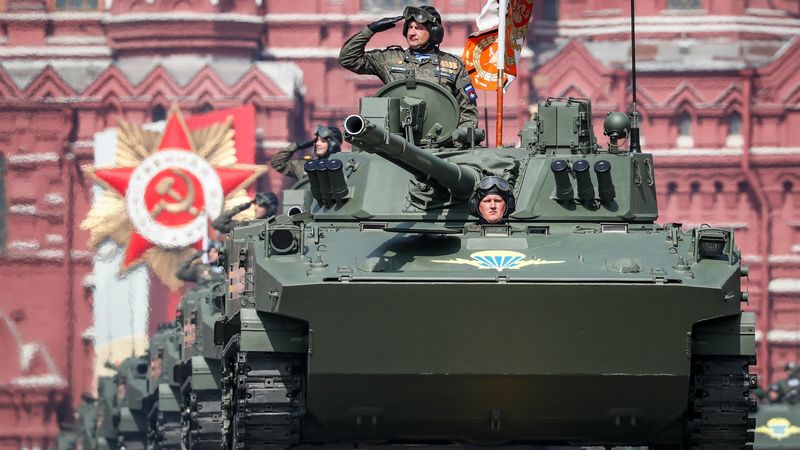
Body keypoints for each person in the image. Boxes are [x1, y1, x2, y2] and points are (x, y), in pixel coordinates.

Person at [339, 5, 479, 129]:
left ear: (434, 32)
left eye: (418, 28)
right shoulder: (390, 59)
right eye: (409, 28)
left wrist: (460, 140)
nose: (411, 33)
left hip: (441, 141)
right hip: (396, 140)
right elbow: (348, 59)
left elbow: (467, 109)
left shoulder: (453, 66)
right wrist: (370, 30)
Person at [270, 125, 343, 180]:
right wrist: (297, 146)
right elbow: (277, 163)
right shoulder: (305, 165)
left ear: (333, 145)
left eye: (323, 141)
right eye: (316, 140)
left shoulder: (343, 165)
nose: (317, 144)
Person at [211, 191, 277, 233]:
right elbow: (218, 223)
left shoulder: (276, 228)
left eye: (260, 205)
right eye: (256, 204)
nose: (256, 208)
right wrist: (239, 208)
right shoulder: (247, 227)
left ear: (270, 208)